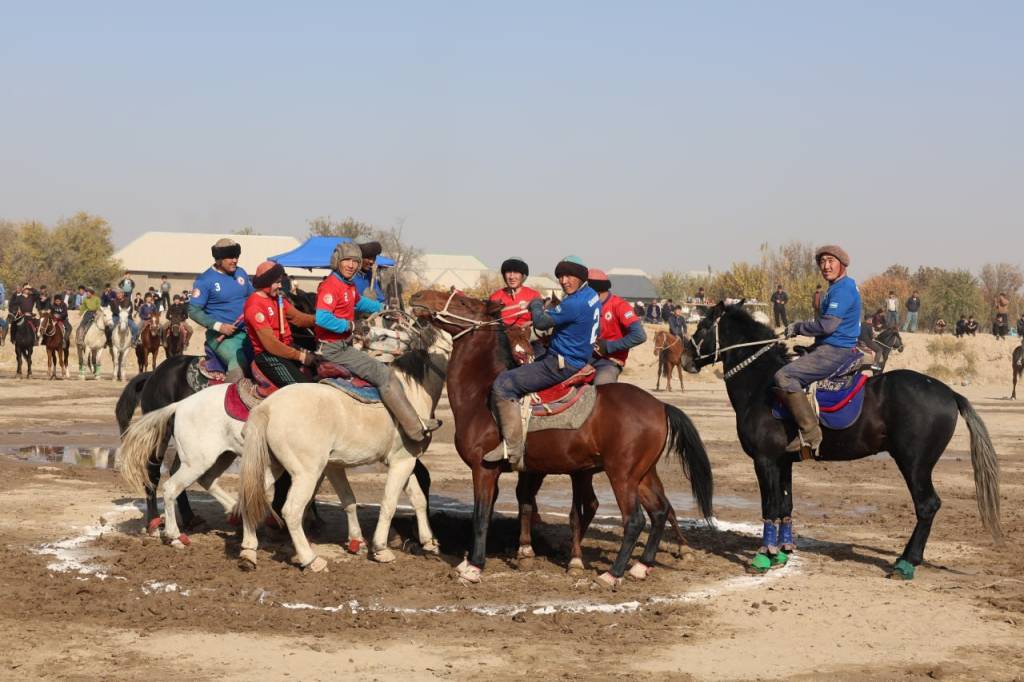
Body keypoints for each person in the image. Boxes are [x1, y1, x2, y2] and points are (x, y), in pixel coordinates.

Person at [316, 241, 440, 442]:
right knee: (385, 375)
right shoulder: (331, 286)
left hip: (344, 344)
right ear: (337, 261)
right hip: (335, 349)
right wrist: (350, 326)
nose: (351, 265)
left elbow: (359, 302)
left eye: (355, 261)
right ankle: (415, 428)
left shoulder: (347, 285)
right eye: (347, 260)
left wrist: (383, 308)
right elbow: (322, 318)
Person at [489, 256, 599, 469]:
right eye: (560, 277)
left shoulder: (574, 302)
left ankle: (512, 447)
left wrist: (536, 305)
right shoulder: (591, 295)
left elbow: (540, 321)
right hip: (578, 356)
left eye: (569, 276)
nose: (564, 281)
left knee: (503, 383)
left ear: (580, 277)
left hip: (561, 362)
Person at [776, 245, 861, 458]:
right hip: (827, 346)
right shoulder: (837, 287)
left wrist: (798, 327)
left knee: (784, 376)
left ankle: (810, 432)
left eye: (831, 261)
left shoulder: (842, 290)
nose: (826, 266)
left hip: (835, 351)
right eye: (822, 262)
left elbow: (827, 326)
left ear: (842, 264)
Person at [188, 238, 254, 382]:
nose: (235, 260)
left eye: (236, 256)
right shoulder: (204, 280)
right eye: (230, 257)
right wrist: (219, 326)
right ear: (218, 259)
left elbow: (253, 296)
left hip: (248, 332)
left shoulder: (241, 273)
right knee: (239, 364)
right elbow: (193, 310)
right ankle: (230, 395)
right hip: (222, 338)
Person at [245, 261, 317, 387]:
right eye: (277, 282)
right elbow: (272, 345)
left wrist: (324, 320)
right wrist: (301, 356)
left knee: (321, 370)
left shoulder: (277, 299)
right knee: (303, 388)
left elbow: (299, 318)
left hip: (286, 348)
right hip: (269, 356)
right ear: (266, 282)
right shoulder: (254, 306)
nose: (280, 285)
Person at [588, 269, 646, 385]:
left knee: (602, 387)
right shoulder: (587, 305)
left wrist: (608, 346)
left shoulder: (620, 306)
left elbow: (639, 335)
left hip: (608, 362)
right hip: (583, 359)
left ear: (595, 292)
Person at [489, 257, 541, 327]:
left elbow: (541, 319)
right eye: (508, 272)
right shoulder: (495, 297)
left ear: (523, 276)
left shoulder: (534, 295)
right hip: (501, 332)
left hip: (527, 332)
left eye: (516, 272)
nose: (511, 277)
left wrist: (532, 323)